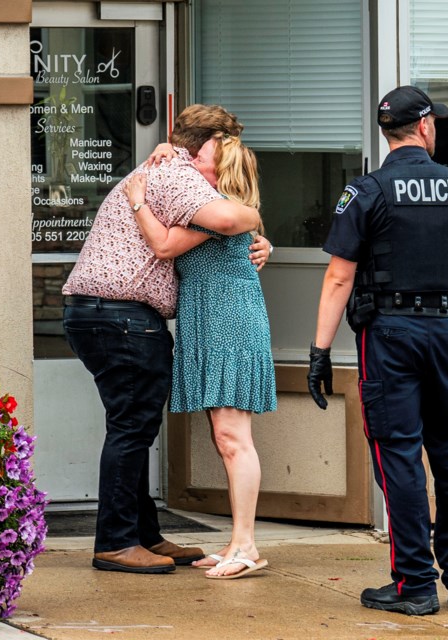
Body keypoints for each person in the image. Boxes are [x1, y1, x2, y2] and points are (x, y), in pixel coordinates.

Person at [306, 85, 448, 615]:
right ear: (427, 126)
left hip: (388, 337)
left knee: (399, 458)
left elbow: (338, 279)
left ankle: (414, 584)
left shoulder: (365, 191)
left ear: (387, 131)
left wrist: (320, 353)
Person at [62, 104, 273, 575]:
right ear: (209, 144)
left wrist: (257, 228)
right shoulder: (177, 174)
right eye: (224, 143)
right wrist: (251, 217)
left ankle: (144, 535)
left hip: (121, 315)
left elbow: (230, 223)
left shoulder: (170, 170)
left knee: (133, 424)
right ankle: (119, 541)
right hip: (122, 318)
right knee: (132, 426)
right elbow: (199, 231)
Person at [122, 134, 275, 580]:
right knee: (225, 435)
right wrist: (167, 150)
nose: (192, 163)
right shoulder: (215, 203)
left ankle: (247, 544)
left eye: (201, 157)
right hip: (211, 318)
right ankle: (237, 541)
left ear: (219, 169)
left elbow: (165, 246)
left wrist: (138, 201)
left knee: (233, 437)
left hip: (229, 321)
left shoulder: (217, 207)